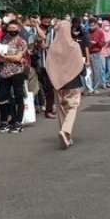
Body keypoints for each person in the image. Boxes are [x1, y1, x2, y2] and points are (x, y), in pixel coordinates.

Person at [45, 20, 85, 150]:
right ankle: (66, 131)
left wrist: (54, 78)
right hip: (73, 81)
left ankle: (67, 136)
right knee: (72, 107)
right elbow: (80, 64)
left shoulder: (53, 47)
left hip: (57, 82)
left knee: (61, 108)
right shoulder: (74, 46)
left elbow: (48, 65)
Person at [0, 20, 28, 134]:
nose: (12, 31)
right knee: (2, 97)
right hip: (4, 72)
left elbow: (18, 58)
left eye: (14, 29)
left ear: (18, 29)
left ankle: (18, 122)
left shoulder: (21, 42)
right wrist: (8, 57)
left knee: (18, 96)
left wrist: (6, 57)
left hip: (17, 72)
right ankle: (4, 121)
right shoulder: (3, 40)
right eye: (10, 29)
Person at [87, 19, 106, 92]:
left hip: (96, 53)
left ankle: (95, 88)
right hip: (88, 53)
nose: (91, 27)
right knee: (88, 72)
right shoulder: (87, 31)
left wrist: (97, 43)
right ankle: (89, 87)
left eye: (93, 25)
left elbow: (103, 43)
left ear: (96, 24)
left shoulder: (100, 32)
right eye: (90, 25)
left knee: (96, 71)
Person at [101, 20, 110, 88]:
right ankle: (104, 82)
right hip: (102, 53)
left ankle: (106, 80)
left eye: (108, 25)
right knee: (103, 68)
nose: (107, 27)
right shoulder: (101, 32)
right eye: (105, 25)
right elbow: (99, 42)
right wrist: (105, 42)